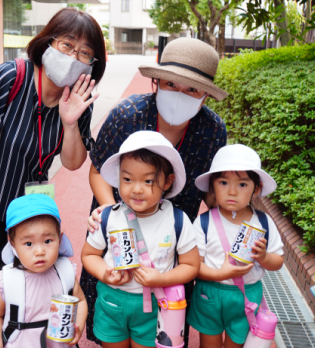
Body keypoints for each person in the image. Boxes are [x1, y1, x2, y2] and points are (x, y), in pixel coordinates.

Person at [0, 7, 106, 304]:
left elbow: (72, 162)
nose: (73, 57)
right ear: (48, 43)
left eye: (85, 53)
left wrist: (69, 122)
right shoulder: (10, 78)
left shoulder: (79, 100)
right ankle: (1, 331)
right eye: (67, 45)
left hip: (30, 210)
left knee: (33, 277)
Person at [81, 37, 228, 345]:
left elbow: (212, 189)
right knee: (112, 308)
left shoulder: (212, 130)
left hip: (171, 236)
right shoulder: (127, 115)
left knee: (163, 325)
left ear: (205, 96)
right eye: (171, 84)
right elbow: (97, 171)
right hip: (118, 222)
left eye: (192, 89)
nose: (180, 94)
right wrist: (111, 212)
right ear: (157, 81)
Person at [81, 131, 200, 348]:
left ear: (168, 181)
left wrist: (162, 279)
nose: (136, 189)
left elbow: (192, 265)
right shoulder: (108, 216)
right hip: (112, 302)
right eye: (127, 179)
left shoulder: (177, 220)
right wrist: (104, 274)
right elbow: (89, 254)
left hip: (155, 306)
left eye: (148, 180)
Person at [187, 144, 284, 348]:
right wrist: (219, 274)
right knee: (209, 344)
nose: (232, 191)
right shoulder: (204, 223)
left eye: (242, 184)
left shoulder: (263, 223)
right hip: (210, 292)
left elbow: (278, 261)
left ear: (256, 189)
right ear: (213, 186)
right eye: (223, 182)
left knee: (237, 343)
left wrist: (265, 257)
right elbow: (194, 266)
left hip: (247, 296)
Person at [0, 194, 87, 348]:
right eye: (28, 243)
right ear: (12, 243)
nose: (39, 251)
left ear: (60, 237)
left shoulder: (65, 272)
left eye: (47, 241)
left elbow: (80, 300)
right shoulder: (7, 281)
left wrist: (78, 326)